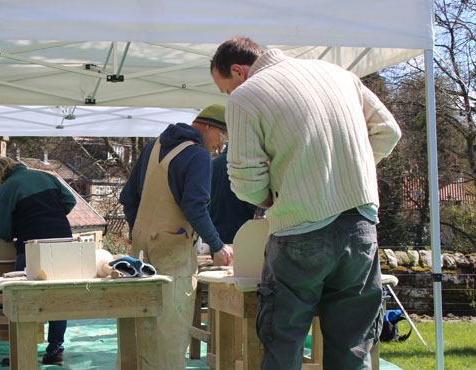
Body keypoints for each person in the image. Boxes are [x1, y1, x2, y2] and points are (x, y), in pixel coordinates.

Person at [210, 37, 402, 370]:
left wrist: (278, 195)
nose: (228, 96)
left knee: (283, 342)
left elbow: (244, 178)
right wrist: (347, 174)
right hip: (360, 223)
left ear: (239, 72)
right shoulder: (339, 74)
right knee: (353, 346)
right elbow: (388, 131)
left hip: (300, 227)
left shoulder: (246, 95)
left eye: (225, 89)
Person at [119, 104, 234, 369]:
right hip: (172, 254)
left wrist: (142, 230)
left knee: (139, 321)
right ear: (208, 127)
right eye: (222, 136)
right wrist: (217, 245)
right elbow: (195, 207)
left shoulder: (153, 146)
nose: (221, 144)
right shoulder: (198, 155)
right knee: (170, 327)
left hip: (139, 249)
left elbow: (128, 199)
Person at [0, 156, 76, 366]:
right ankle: (55, 349)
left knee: (22, 298)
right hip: (63, 241)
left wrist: (19, 228)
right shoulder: (46, 176)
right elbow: (70, 201)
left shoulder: (6, 189)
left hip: (31, 245)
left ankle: (22, 350)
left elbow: (2, 230)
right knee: (58, 298)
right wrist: (49, 215)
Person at [209, 144, 258, 246]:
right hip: (241, 233)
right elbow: (252, 202)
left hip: (216, 234)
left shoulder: (212, 165)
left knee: (219, 262)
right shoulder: (242, 166)